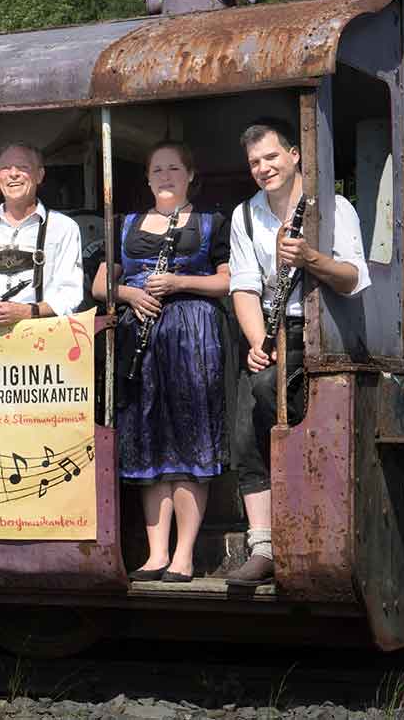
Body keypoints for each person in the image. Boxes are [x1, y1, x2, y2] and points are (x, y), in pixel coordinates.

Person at [224, 119, 371, 587]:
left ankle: (311, 521)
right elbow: (243, 287)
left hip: (319, 326)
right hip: (266, 329)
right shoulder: (245, 215)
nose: (263, 168)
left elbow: (353, 278)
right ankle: (263, 545)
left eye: (271, 157)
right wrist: (254, 344)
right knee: (244, 429)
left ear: (294, 155)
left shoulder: (332, 206)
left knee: (278, 403)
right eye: (254, 163)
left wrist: (310, 259)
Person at [91, 142, 230, 583]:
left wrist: (179, 280)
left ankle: (184, 554)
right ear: (147, 178)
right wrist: (130, 294)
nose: (165, 175)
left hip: (194, 336)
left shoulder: (212, 222)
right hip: (140, 336)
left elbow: (228, 282)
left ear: (189, 174)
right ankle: (155, 554)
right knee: (148, 441)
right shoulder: (125, 223)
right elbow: (99, 284)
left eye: (173, 168)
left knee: (189, 441)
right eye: (157, 170)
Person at [0, 143, 85, 332]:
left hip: (43, 340)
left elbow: (71, 294)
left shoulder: (63, 228)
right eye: (5, 168)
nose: (13, 174)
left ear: (39, 176)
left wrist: (27, 312)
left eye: (23, 168)